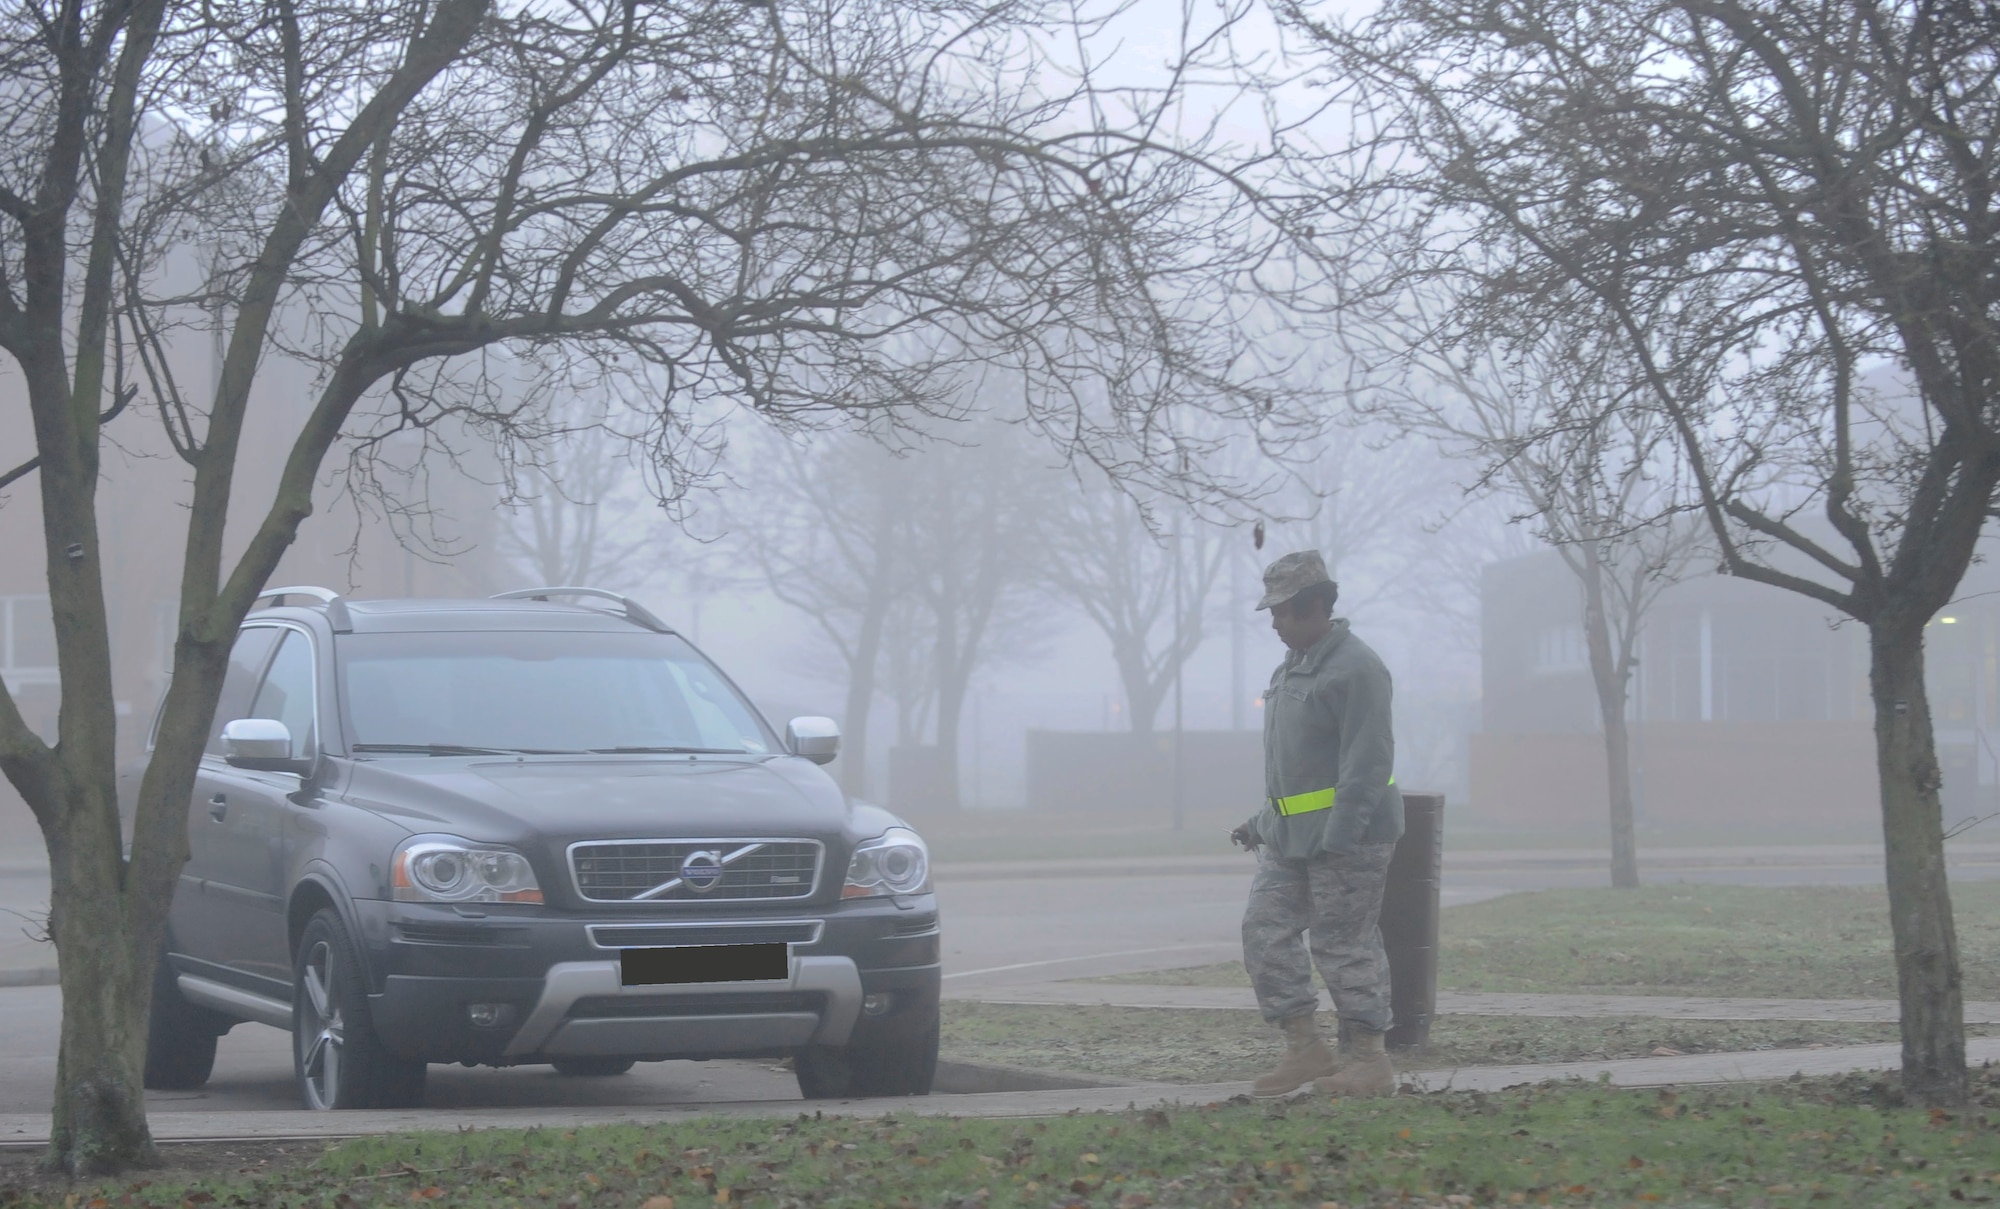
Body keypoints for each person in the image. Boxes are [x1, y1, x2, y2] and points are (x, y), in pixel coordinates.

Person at [1230, 549, 1403, 1099]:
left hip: (1348, 839)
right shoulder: (1292, 668)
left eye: (1282, 612)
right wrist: (1261, 822)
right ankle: (1305, 1050)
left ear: (1315, 607)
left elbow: (1367, 763)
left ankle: (1369, 1061)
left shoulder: (1357, 669)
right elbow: (1297, 770)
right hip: (1290, 838)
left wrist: (1343, 836)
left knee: (1342, 944)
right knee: (1264, 930)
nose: (1276, 623)